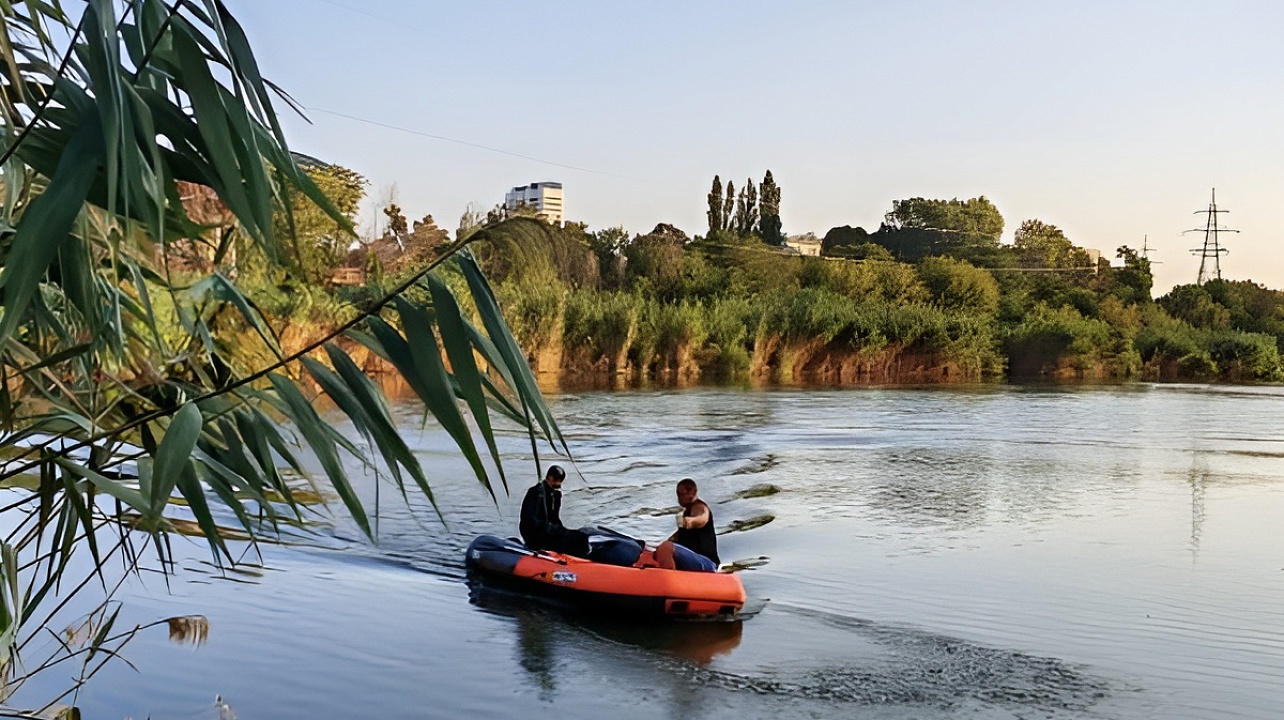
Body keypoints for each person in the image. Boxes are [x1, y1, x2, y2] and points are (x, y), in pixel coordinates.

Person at [519, 465, 588, 555]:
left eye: (560, 480)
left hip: (548, 531)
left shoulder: (555, 495)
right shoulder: (536, 492)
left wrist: (561, 530)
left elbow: (555, 518)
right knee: (578, 539)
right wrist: (550, 529)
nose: (559, 484)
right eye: (557, 480)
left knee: (581, 536)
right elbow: (529, 520)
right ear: (550, 477)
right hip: (538, 534)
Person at [668, 478, 719, 570]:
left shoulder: (699, 507)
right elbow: (676, 538)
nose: (681, 497)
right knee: (663, 547)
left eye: (684, 493)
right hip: (693, 559)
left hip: (706, 562)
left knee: (667, 548)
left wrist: (691, 521)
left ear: (693, 492)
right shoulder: (687, 513)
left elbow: (702, 518)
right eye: (680, 494)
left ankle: (669, 577)